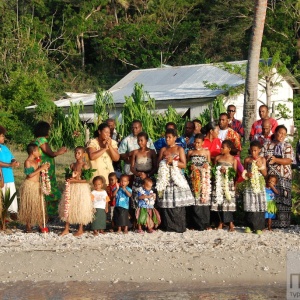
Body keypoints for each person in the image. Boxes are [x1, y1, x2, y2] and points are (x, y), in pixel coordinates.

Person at [156, 128, 194, 233]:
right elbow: (158, 163)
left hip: (177, 179)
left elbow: (184, 165)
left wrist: (173, 162)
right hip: (166, 179)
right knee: (168, 204)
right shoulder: (163, 150)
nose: (167, 139)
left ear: (175, 138)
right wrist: (164, 162)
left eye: (169, 137)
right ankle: (169, 226)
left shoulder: (179, 149)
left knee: (177, 205)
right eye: (166, 137)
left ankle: (179, 226)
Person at [260, 125, 294, 228]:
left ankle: (283, 223)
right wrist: (265, 174)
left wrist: (275, 160)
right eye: (280, 133)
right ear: (275, 133)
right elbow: (261, 159)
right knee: (271, 199)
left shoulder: (287, 146)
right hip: (271, 178)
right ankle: (270, 223)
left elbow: (289, 160)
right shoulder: (267, 145)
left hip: (284, 177)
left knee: (283, 199)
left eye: (284, 134)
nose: (282, 135)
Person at [34, 121, 67, 217]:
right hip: (46, 169)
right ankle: (50, 213)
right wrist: (59, 152)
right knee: (49, 188)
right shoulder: (42, 141)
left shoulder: (37, 140)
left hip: (45, 168)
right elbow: (51, 153)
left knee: (45, 187)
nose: (50, 131)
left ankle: (47, 212)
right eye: (49, 129)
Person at [59, 146, 94, 236]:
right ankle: (66, 228)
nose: (76, 154)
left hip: (81, 189)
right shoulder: (72, 165)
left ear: (83, 154)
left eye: (79, 153)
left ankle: (80, 229)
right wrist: (68, 178)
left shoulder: (84, 166)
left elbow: (87, 180)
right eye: (75, 152)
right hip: (72, 188)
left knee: (80, 207)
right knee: (68, 206)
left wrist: (75, 180)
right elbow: (68, 177)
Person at [18, 143, 50, 233]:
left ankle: (40, 224)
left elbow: (38, 173)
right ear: (33, 152)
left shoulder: (37, 161)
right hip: (29, 185)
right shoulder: (27, 162)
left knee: (38, 205)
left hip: (37, 185)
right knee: (29, 205)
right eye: (38, 150)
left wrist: (44, 169)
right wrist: (41, 168)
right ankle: (28, 226)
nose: (40, 152)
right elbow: (29, 175)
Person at [211, 140, 237, 232]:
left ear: (229, 149)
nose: (221, 148)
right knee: (219, 202)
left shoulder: (233, 159)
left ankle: (230, 223)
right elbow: (213, 171)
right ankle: (220, 222)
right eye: (221, 147)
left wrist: (227, 172)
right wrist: (218, 171)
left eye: (223, 147)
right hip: (218, 183)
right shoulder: (218, 158)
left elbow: (234, 173)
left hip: (228, 184)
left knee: (228, 203)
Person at [187, 133, 212, 230]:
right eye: (195, 143)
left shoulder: (206, 152)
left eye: (198, 143)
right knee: (195, 201)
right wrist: (190, 167)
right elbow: (187, 165)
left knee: (204, 200)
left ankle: (206, 223)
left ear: (202, 143)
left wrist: (207, 166)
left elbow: (210, 164)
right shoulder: (190, 152)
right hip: (193, 179)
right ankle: (194, 224)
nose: (196, 145)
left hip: (204, 179)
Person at [242, 140, 267, 234]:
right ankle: (249, 226)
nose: (253, 152)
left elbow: (265, 174)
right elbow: (244, 172)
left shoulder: (262, 159)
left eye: (255, 150)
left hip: (259, 184)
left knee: (259, 205)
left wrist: (260, 166)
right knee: (250, 204)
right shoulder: (247, 160)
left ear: (259, 150)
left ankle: (259, 227)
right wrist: (247, 174)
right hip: (249, 185)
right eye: (252, 150)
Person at [0, 126, 20, 218]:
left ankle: (13, 214)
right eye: (2, 136)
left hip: (9, 176)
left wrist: (13, 162)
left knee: (11, 195)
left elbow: (12, 157)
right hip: (1, 177)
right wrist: (9, 165)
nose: (4, 138)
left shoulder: (4, 147)